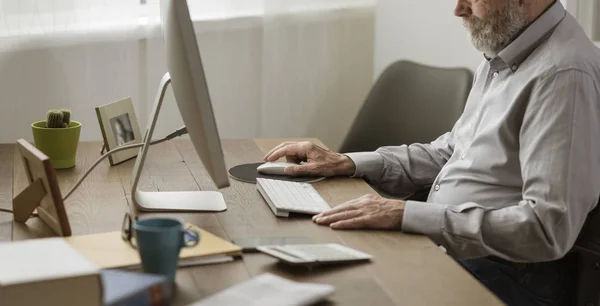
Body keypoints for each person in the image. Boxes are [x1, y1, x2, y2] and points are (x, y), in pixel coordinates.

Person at [263, 0, 600, 305]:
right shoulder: (508, 51)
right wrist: (349, 162)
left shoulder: (562, 75)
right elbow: (452, 152)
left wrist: (407, 215)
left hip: (512, 274)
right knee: (308, 268)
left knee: (343, 290)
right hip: (458, 250)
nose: (458, 9)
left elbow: (546, 229)